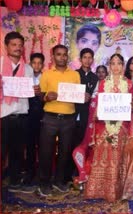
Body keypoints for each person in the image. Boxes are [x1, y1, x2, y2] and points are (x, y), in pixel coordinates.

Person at [84, 53, 133, 202]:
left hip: (122, 126)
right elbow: (100, 104)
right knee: (104, 153)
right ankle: (100, 190)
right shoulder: (102, 83)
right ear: (109, 66)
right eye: (113, 63)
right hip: (104, 125)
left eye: (119, 63)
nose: (116, 67)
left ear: (123, 66)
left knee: (118, 152)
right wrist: (97, 114)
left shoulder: (129, 83)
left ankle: (117, 190)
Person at [38, 44, 81, 196]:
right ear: (53, 56)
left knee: (65, 152)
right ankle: (44, 183)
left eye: (64, 54)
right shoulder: (47, 74)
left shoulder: (75, 75)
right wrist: (45, 97)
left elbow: (77, 95)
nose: (62, 57)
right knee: (46, 152)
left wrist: (84, 97)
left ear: (67, 56)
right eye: (58, 54)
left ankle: (59, 181)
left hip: (69, 119)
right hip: (50, 118)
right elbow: (40, 95)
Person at [0, 31, 37, 192]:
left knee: (17, 152)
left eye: (20, 45)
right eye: (14, 45)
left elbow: (30, 91)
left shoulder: (28, 69)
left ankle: (14, 182)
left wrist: (35, 90)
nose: (17, 48)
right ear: (6, 46)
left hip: (22, 115)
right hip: (3, 115)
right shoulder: (0, 64)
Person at [68, 48, 98, 181]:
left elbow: (96, 96)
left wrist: (91, 97)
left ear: (92, 60)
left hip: (88, 116)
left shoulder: (95, 77)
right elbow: (67, 92)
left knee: (83, 144)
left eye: (89, 57)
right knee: (70, 143)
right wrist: (80, 95)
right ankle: (68, 175)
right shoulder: (73, 74)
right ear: (80, 59)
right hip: (72, 114)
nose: (87, 60)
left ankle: (81, 172)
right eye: (84, 57)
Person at [22, 53, 45, 192]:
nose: (36, 65)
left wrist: (42, 93)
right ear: (30, 64)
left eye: (39, 63)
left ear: (43, 65)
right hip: (28, 116)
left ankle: (41, 175)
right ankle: (29, 173)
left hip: (43, 117)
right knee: (30, 146)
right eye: (34, 63)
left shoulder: (46, 78)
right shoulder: (25, 79)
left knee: (43, 147)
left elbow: (49, 97)